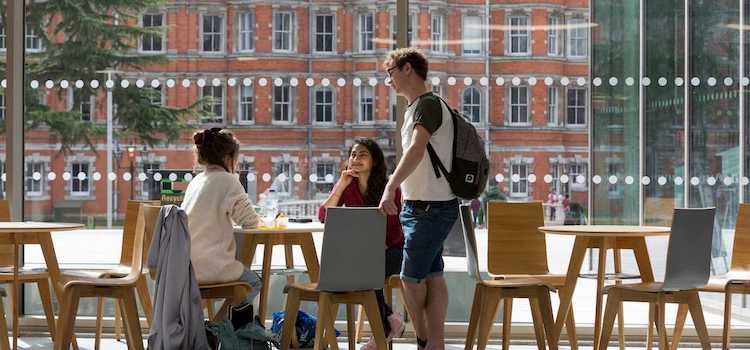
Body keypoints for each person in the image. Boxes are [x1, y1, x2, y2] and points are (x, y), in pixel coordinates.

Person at [379, 47, 458, 350]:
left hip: (431, 207)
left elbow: (416, 150)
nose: (389, 81)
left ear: (407, 69)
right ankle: (435, 343)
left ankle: (423, 340)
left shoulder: (427, 105)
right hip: (421, 205)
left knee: (410, 279)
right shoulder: (417, 107)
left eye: (391, 73)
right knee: (433, 275)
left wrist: (390, 186)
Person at [317, 138, 405, 348]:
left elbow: (393, 232)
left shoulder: (390, 188)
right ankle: (390, 319)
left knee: (365, 272)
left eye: (362, 155)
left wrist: (373, 246)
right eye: (353, 155)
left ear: (374, 161)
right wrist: (341, 184)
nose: (356, 159)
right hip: (363, 255)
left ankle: (382, 329)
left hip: (393, 252)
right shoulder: (349, 187)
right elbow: (323, 215)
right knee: (339, 277)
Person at [180, 127, 262, 303]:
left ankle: (215, 326)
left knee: (242, 278)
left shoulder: (196, 181)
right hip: (211, 267)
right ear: (228, 157)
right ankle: (221, 326)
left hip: (185, 266)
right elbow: (251, 222)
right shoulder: (228, 181)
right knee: (254, 283)